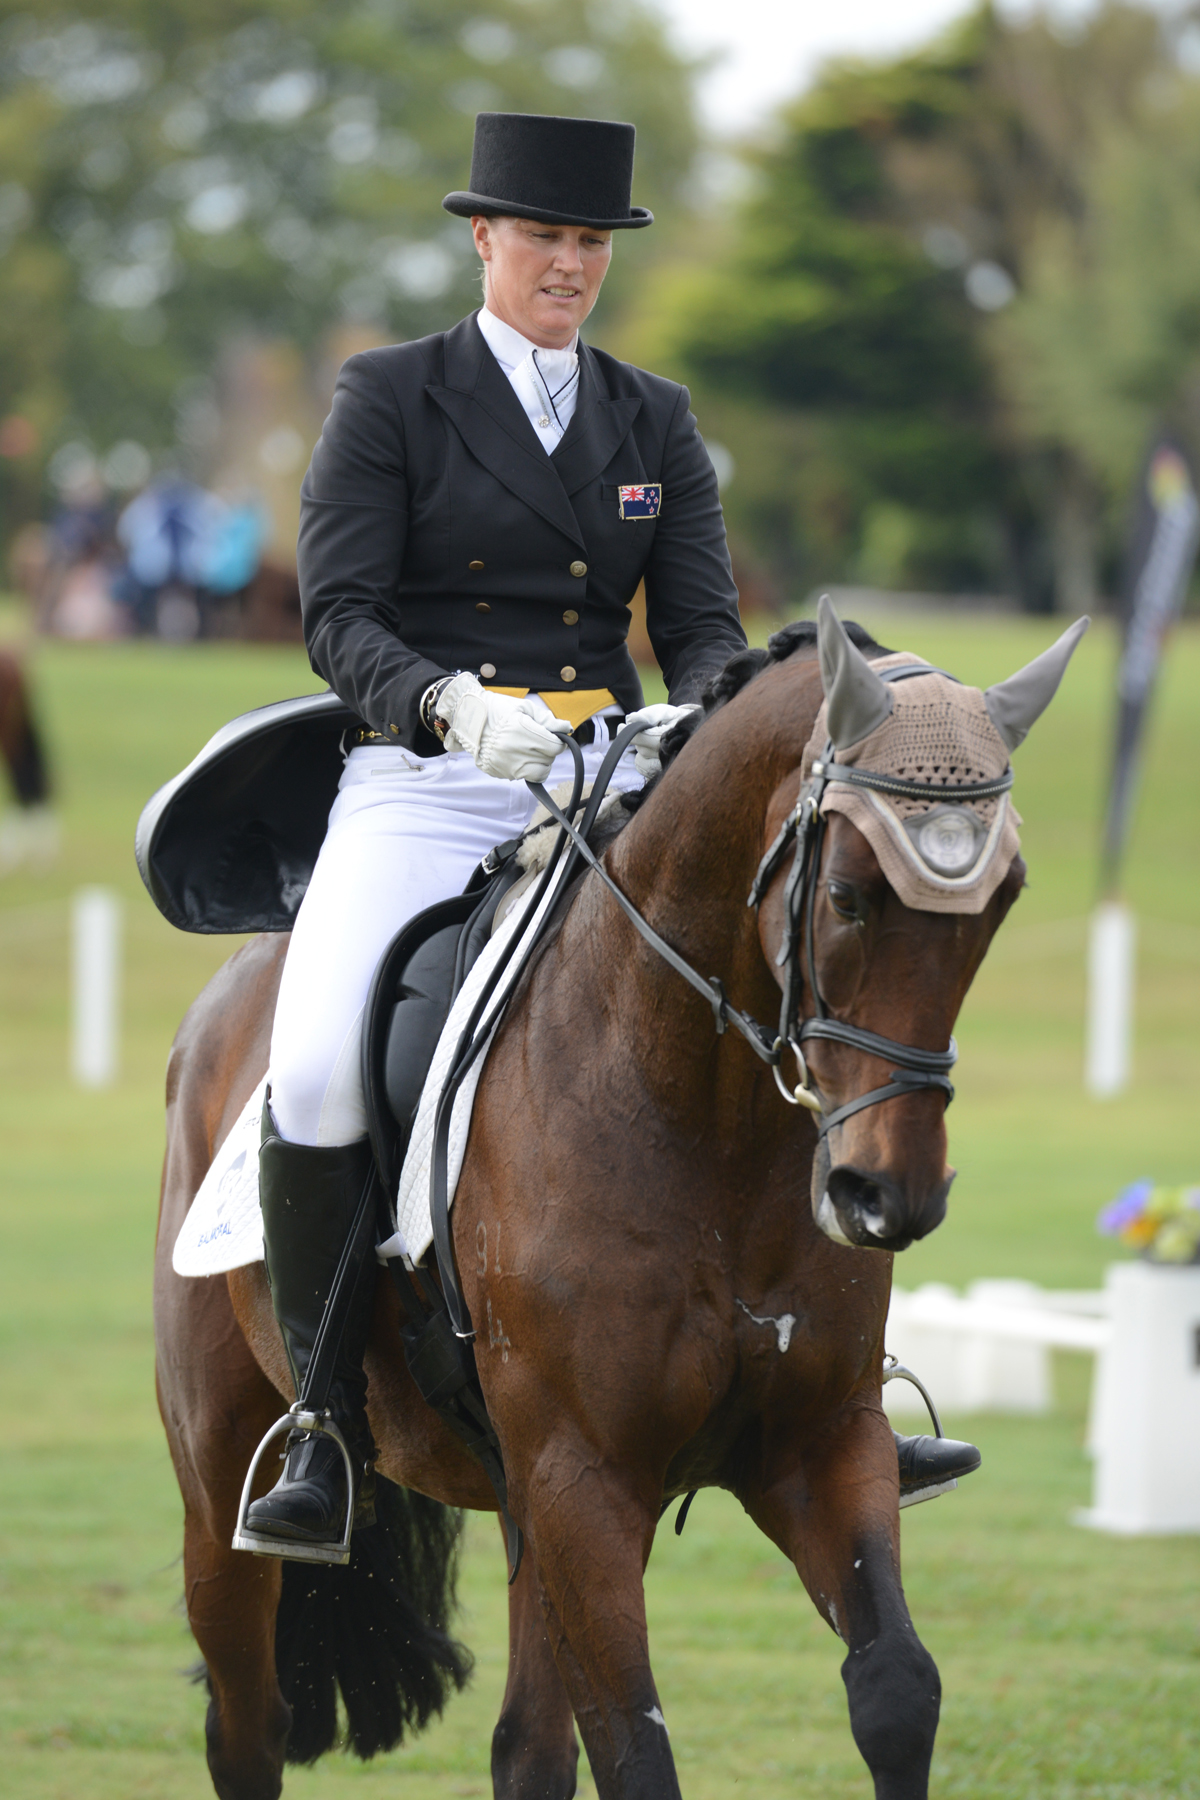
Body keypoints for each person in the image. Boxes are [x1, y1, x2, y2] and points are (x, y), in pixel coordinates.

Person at [244, 111, 977, 1555]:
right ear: (485, 239)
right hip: (425, 779)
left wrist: (707, 719)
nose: (569, 264)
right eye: (545, 237)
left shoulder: (652, 416)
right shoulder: (392, 394)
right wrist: (447, 705)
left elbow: (700, 629)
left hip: (607, 777)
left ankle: (843, 1385)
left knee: (782, 1005)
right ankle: (322, 1421)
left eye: (590, 242)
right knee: (320, 1066)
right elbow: (340, 615)